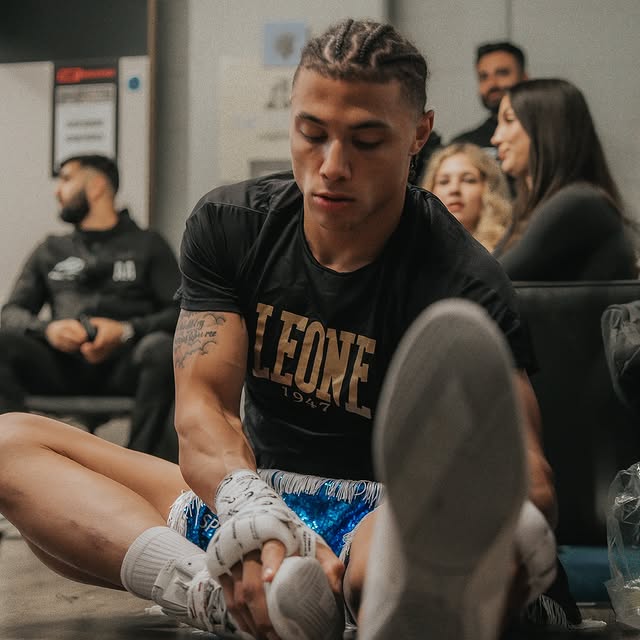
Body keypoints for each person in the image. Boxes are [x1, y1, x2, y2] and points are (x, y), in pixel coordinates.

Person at [0, 20, 565, 640]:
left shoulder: (461, 277)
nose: (333, 166)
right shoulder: (231, 224)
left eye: (367, 140)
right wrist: (250, 509)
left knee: (387, 557)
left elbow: (529, 475)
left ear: (419, 134)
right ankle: (222, 596)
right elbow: (203, 407)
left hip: (389, 512)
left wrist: (506, 530)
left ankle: (343, 595)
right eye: (312, 134)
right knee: (10, 443)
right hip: (261, 495)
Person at [0, 154, 180, 459]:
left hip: (125, 366)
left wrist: (125, 330)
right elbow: (11, 313)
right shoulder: (51, 249)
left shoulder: (148, 245)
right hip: (63, 366)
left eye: (66, 180)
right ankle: (22, 459)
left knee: (162, 349)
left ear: (96, 186)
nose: (58, 191)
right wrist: (48, 330)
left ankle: (135, 466)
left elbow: (180, 313)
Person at [490, 79, 637, 280]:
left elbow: (491, 281)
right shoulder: (527, 208)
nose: (496, 138)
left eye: (509, 120)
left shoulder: (578, 202)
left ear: (546, 128)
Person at [422, 142, 512, 252]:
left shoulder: (509, 248)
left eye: (468, 180)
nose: (454, 189)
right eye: (444, 181)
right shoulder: (415, 247)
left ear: (488, 189)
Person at [451, 41, 528, 153]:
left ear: (524, 78)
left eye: (502, 73)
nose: (492, 84)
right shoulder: (463, 146)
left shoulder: (546, 135)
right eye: (484, 77)